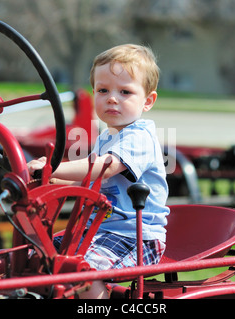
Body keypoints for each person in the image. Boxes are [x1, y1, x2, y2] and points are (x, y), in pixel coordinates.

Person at [28, 44, 169, 298]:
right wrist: (49, 177)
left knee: (84, 272)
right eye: (103, 90)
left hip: (136, 237)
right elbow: (88, 172)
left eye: (125, 91)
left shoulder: (140, 137)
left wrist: (52, 167)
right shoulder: (108, 136)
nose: (112, 98)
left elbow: (104, 168)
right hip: (98, 231)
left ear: (148, 101)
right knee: (37, 258)